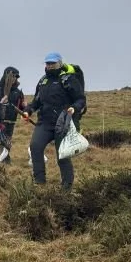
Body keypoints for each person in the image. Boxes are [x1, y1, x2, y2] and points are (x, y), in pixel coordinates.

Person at [22, 52, 86, 189]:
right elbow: (36, 101)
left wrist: (74, 108)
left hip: (63, 123)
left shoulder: (69, 79)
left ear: (60, 63)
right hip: (44, 122)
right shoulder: (43, 81)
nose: (50, 66)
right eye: (48, 63)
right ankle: (39, 181)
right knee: (35, 147)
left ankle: (67, 185)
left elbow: (81, 99)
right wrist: (28, 111)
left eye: (53, 63)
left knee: (62, 154)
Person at [0, 66, 26, 163]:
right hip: (0, 120)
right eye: (11, 76)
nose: (14, 79)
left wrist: (24, 107)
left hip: (11, 120)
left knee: (8, 140)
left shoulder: (18, 92)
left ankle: (5, 158)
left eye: (16, 77)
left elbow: (22, 107)